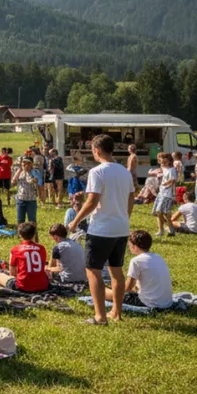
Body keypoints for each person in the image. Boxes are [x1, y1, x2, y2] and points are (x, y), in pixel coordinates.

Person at [68, 133, 135, 325]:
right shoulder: (124, 172)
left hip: (101, 229)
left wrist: (75, 221)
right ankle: (116, 312)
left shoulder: (97, 172)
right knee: (117, 271)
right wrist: (125, 215)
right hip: (121, 228)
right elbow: (131, 197)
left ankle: (100, 316)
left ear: (96, 150)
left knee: (93, 270)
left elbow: (92, 200)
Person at [107, 230, 173, 310]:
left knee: (109, 293)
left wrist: (114, 288)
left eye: (129, 245)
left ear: (134, 246)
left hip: (149, 303)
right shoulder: (158, 257)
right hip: (167, 302)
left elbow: (128, 287)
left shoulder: (136, 261)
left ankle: (95, 290)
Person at [0, 223, 49, 292]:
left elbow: (12, 273)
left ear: (20, 235)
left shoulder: (16, 249)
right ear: (34, 234)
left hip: (23, 286)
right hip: (42, 285)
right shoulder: (42, 248)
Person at [151, 153, 178, 237]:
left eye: (162, 158)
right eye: (159, 159)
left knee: (164, 212)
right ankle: (161, 231)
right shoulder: (163, 168)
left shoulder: (172, 169)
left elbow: (173, 180)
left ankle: (171, 230)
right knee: (158, 212)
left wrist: (168, 184)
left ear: (167, 159)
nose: (160, 160)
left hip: (168, 194)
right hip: (161, 193)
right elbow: (160, 165)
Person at [12, 156, 39, 224]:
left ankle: (34, 234)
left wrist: (33, 180)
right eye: (23, 163)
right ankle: (20, 234)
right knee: (20, 220)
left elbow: (36, 180)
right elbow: (13, 182)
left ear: (31, 164)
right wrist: (19, 170)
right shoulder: (20, 172)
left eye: (27, 163)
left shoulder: (34, 172)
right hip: (20, 199)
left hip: (31, 200)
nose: (25, 165)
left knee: (32, 221)